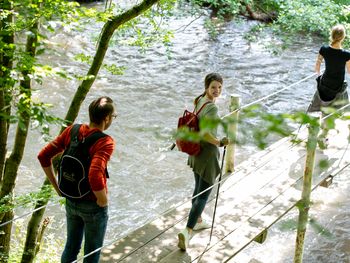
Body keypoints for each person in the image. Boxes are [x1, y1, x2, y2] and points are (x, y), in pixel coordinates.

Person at [37, 96, 116, 263]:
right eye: (113, 117)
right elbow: (95, 174)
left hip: (71, 200)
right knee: (91, 254)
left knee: (71, 247)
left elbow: (43, 156)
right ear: (107, 118)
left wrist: (57, 187)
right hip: (93, 206)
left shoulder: (73, 131)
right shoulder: (105, 141)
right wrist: (102, 199)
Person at [177, 73, 229, 251]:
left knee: (198, 187)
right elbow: (206, 134)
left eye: (220, 87)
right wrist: (220, 142)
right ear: (207, 86)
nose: (217, 91)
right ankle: (188, 231)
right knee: (204, 194)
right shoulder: (212, 109)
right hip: (207, 154)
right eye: (214, 87)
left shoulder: (200, 100)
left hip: (195, 152)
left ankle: (198, 221)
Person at [308, 24, 350, 113]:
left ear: (332, 35)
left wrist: (319, 77)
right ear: (343, 37)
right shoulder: (346, 54)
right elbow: (349, 71)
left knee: (320, 88)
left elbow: (317, 66)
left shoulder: (324, 49)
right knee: (344, 89)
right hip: (338, 85)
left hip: (325, 83)